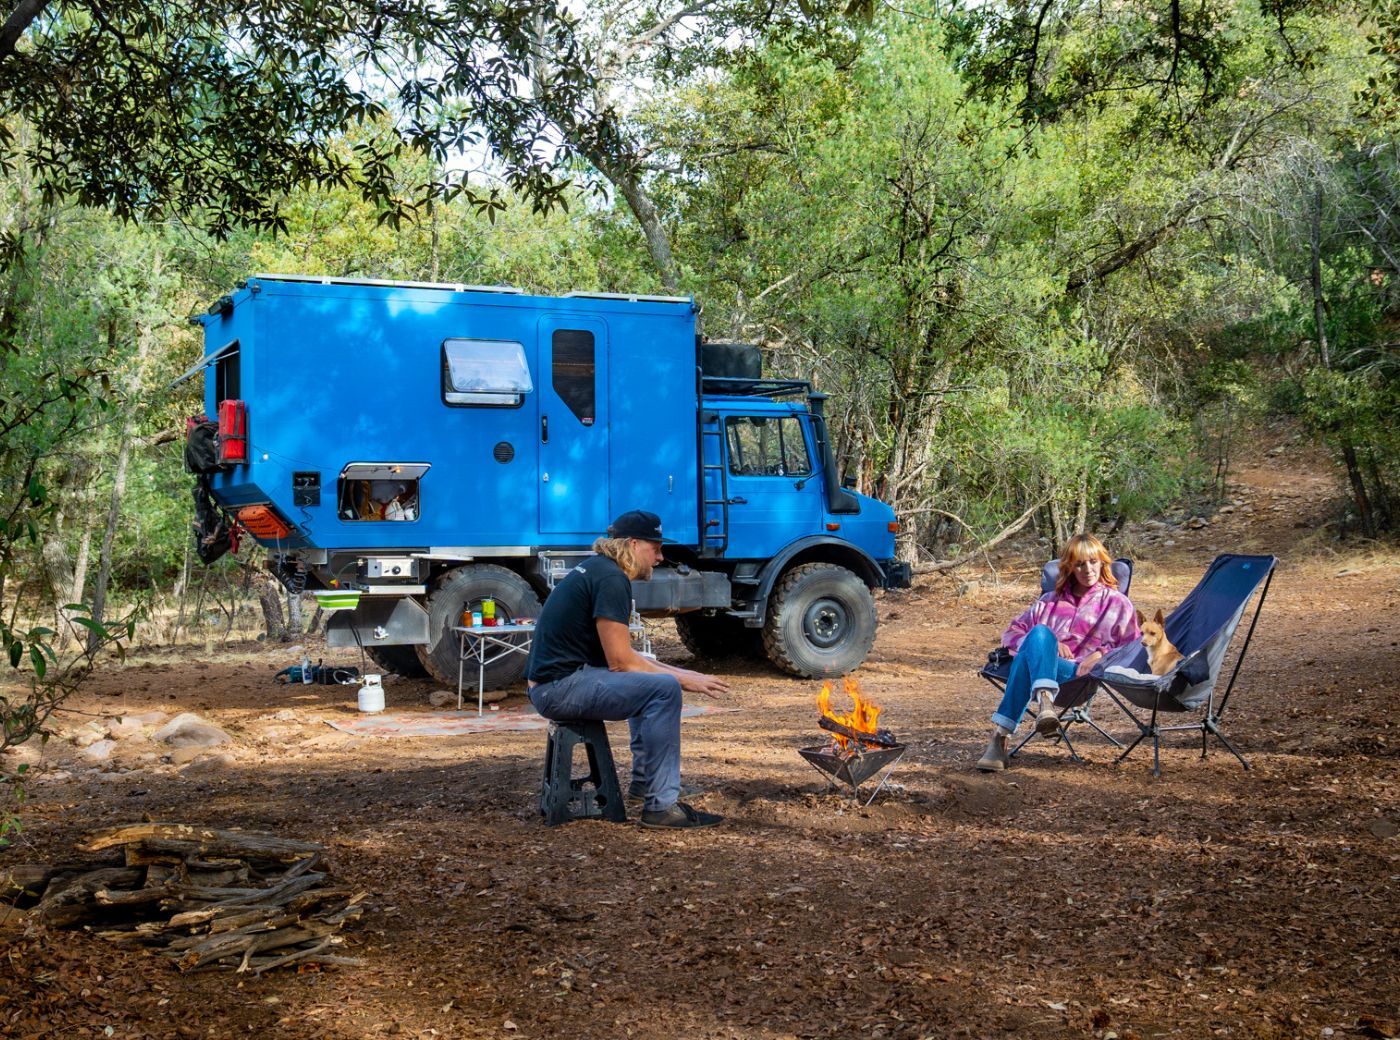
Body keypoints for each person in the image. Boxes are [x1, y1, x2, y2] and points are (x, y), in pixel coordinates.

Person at [526, 509, 731, 828]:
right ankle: (661, 807)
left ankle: (647, 785)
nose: (661, 557)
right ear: (634, 544)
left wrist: (687, 674)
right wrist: (680, 680)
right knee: (663, 689)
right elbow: (621, 662)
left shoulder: (600, 570)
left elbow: (627, 656)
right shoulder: (611, 578)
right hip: (559, 688)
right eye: (656, 548)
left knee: (654, 681)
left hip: (555, 683)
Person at [976, 533, 1140, 772]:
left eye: (1093, 561)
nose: (1088, 569)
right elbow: (1011, 633)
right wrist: (1048, 645)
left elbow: (1131, 646)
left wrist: (1099, 654)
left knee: (1031, 648)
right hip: (1043, 674)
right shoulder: (1048, 601)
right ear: (1070, 567)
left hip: (1077, 676)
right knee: (1039, 634)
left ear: (1102, 562)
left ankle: (1000, 738)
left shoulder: (1116, 603)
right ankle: (1044, 702)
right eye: (1080, 563)